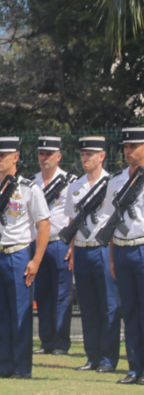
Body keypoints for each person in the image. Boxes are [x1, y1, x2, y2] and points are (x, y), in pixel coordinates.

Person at [0, 136, 50, 380]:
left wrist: (36, 260)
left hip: (18, 254)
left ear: (15, 157)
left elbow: (43, 225)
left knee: (20, 314)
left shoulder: (29, 188)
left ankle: (21, 368)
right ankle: (5, 367)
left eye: (3, 155)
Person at [65, 136, 120, 374]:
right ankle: (92, 356)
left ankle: (108, 359)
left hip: (104, 248)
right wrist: (73, 250)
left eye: (90, 154)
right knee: (87, 307)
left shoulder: (113, 184)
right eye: (83, 154)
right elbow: (71, 222)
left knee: (108, 306)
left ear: (102, 156)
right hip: (83, 249)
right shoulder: (75, 186)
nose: (85, 158)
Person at [101, 127, 144, 385]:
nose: (129, 151)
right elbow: (109, 222)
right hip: (123, 248)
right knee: (129, 312)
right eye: (126, 147)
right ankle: (134, 368)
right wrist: (112, 258)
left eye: (134, 147)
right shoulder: (116, 181)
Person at [31, 136, 73, 356]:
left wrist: (72, 245)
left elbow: (73, 217)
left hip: (58, 243)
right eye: (41, 153)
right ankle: (46, 341)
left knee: (61, 296)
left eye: (49, 154)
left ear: (59, 156)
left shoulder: (69, 181)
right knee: (42, 294)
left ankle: (60, 343)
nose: (44, 158)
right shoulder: (32, 182)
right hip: (37, 244)